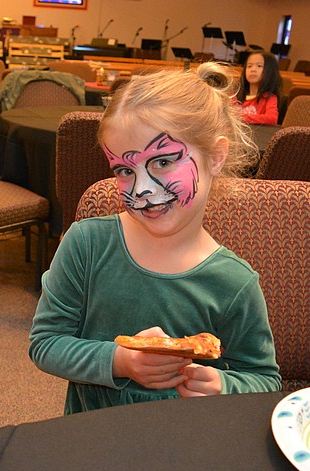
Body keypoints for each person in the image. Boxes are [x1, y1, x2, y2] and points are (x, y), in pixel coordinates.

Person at [28, 63, 281, 414]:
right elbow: (45, 343)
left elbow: (264, 379)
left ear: (216, 157)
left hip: (184, 442)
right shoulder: (86, 244)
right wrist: (120, 360)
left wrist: (224, 385)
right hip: (92, 433)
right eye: (124, 170)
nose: (142, 189)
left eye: (162, 161)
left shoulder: (234, 282)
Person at [234, 50, 282, 125]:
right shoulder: (236, 96)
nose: (253, 70)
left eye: (259, 66)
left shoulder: (270, 98)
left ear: (269, 71)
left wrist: (241, 117)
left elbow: (272, 119)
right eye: (249, 66)